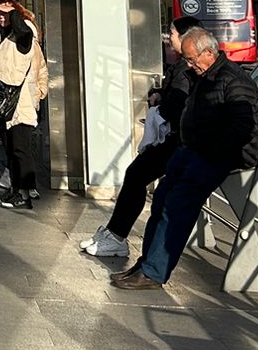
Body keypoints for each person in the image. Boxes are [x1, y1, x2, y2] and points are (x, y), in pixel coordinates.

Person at [111, 26, 258, 292]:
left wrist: (210, 149)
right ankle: (146, 264)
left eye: (192, 59)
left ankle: (154, 272)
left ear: (209, 53)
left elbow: (241, 127)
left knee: (177, 203)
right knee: (162, 196)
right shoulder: (203, 75)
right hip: (193, 149)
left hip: (216, 155)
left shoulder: (234, 80)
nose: (189, 64)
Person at [81, 15, 191, 258]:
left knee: (136, 175)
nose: (168, 37)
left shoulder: (185, 70)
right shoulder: (181, 67)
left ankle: (117, 236)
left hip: (177, 141)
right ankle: (114, 232)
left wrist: (160, 106)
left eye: (171, 33)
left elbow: (179, 101)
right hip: (174, 139)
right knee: (136, 175)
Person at [0, 0, 44, 209]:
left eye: (5, 13)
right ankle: (14, 190)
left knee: (20, 149)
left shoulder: (24, 36)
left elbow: (37, 65)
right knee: (10, 149)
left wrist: (15, 13)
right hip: (3, 101)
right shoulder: (1, 37)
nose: (1, 16)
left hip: (20, 102)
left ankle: (24, 193)